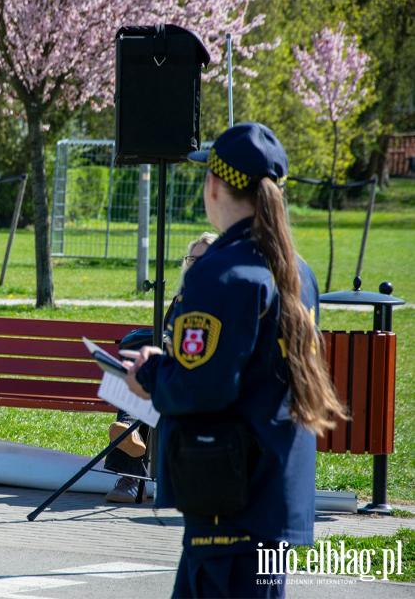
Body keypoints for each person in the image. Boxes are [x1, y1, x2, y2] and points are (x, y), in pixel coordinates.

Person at [123, 122, 345, 598]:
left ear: (215, 185)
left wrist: (150, 373)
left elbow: (200, 387)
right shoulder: (296, 271)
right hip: (272, 496)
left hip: (229, 504)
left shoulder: (220, 273)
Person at [103, 231, 217, 503]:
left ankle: (130, 479)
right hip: (170, 374)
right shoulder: (181, 299)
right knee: (140, 372)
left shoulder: (221, 301)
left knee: (147, 377)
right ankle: (129, 444)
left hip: (201, 382)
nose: (196, 265)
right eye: (192, 259)